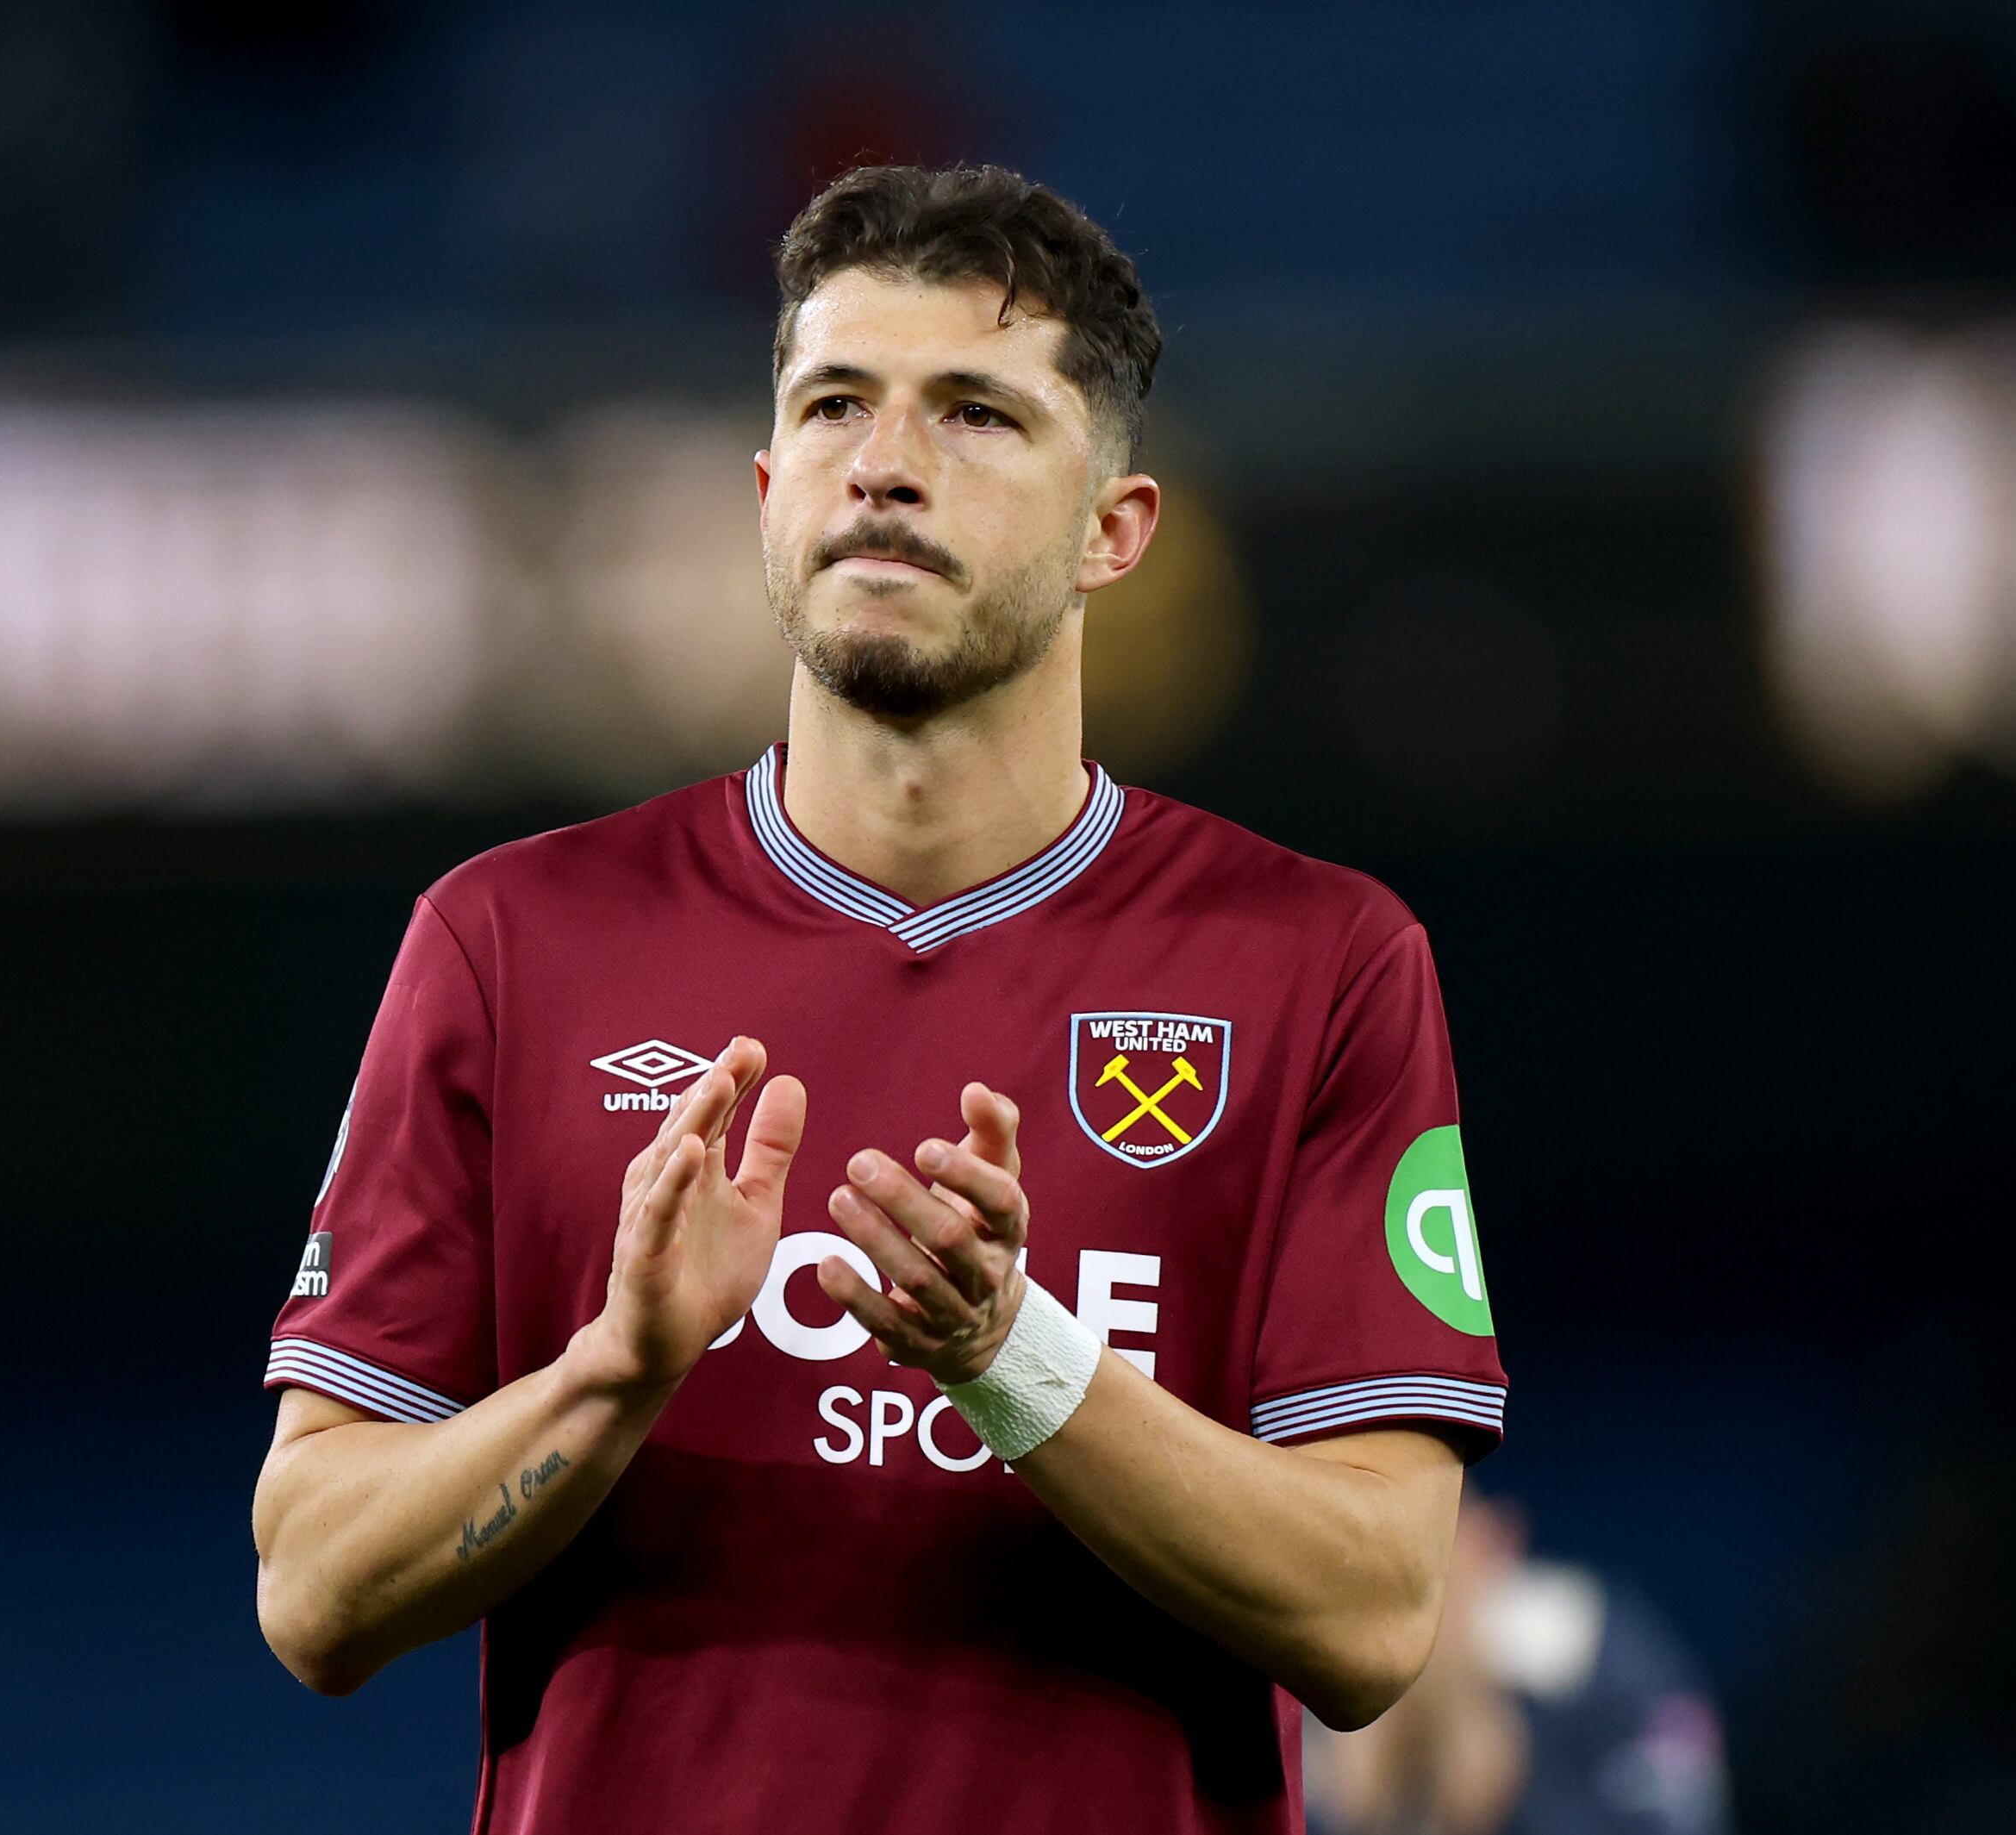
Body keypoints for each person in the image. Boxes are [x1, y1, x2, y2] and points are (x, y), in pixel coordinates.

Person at [250, 163, 1509, 1835]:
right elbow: (317, 1592)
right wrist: (615, 1371)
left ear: (1113, 530)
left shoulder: (1317, 959)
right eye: (836, 402)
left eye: (976, 414)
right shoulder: (509, 937)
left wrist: (1015, 1357)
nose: (886, 464)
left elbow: (1371, 1618)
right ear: (771, 487)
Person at [1305, 1497, 1730, 1835]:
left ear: (1495, 1540)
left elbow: (1675, 1815)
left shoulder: (1596, 1651)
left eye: (1445, 1553)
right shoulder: (1297, 1663)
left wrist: (1520, 1785)